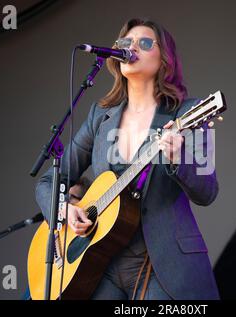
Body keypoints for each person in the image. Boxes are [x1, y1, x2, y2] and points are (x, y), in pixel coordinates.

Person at [36, 18, 220, 300]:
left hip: (162, 264)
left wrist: (177, 157)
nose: (131, 47)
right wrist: (64, 209)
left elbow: (207, 191)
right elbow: (50, 180)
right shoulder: (101, 117)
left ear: (164, 60)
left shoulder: (186, 113)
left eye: (145, 43)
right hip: (101, 266)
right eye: (125, 42)